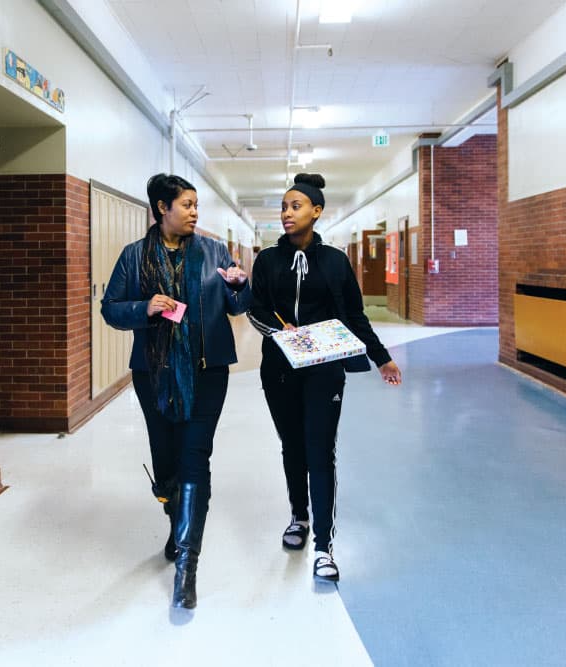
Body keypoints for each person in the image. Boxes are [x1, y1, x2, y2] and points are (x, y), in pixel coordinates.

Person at [101, 173, 251, 609]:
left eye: (195, 204)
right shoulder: (134, 258)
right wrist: (143, 308)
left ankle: (188, 562)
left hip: (208, 372)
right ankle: (178, 522)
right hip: (154, 375)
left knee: (193, 458)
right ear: (161, 208)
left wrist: (239, 287)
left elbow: (238, 306)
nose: (194, 212)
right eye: (186, 204)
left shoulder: (213, 251)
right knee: (167, 461)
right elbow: (111, 308)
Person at [247, 173, 401, 582]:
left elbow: (354, 315)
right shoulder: (267, 261)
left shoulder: (335, 261)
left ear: (316, 211)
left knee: (320, 450)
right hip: (279, 370)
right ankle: (298, 516)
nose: (286, 213)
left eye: (295, 206)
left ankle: (323, 546)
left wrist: (381, 357)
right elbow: (255, 309)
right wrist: (282, 333)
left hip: (324, 371)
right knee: (292, 447)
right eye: (283, 207)